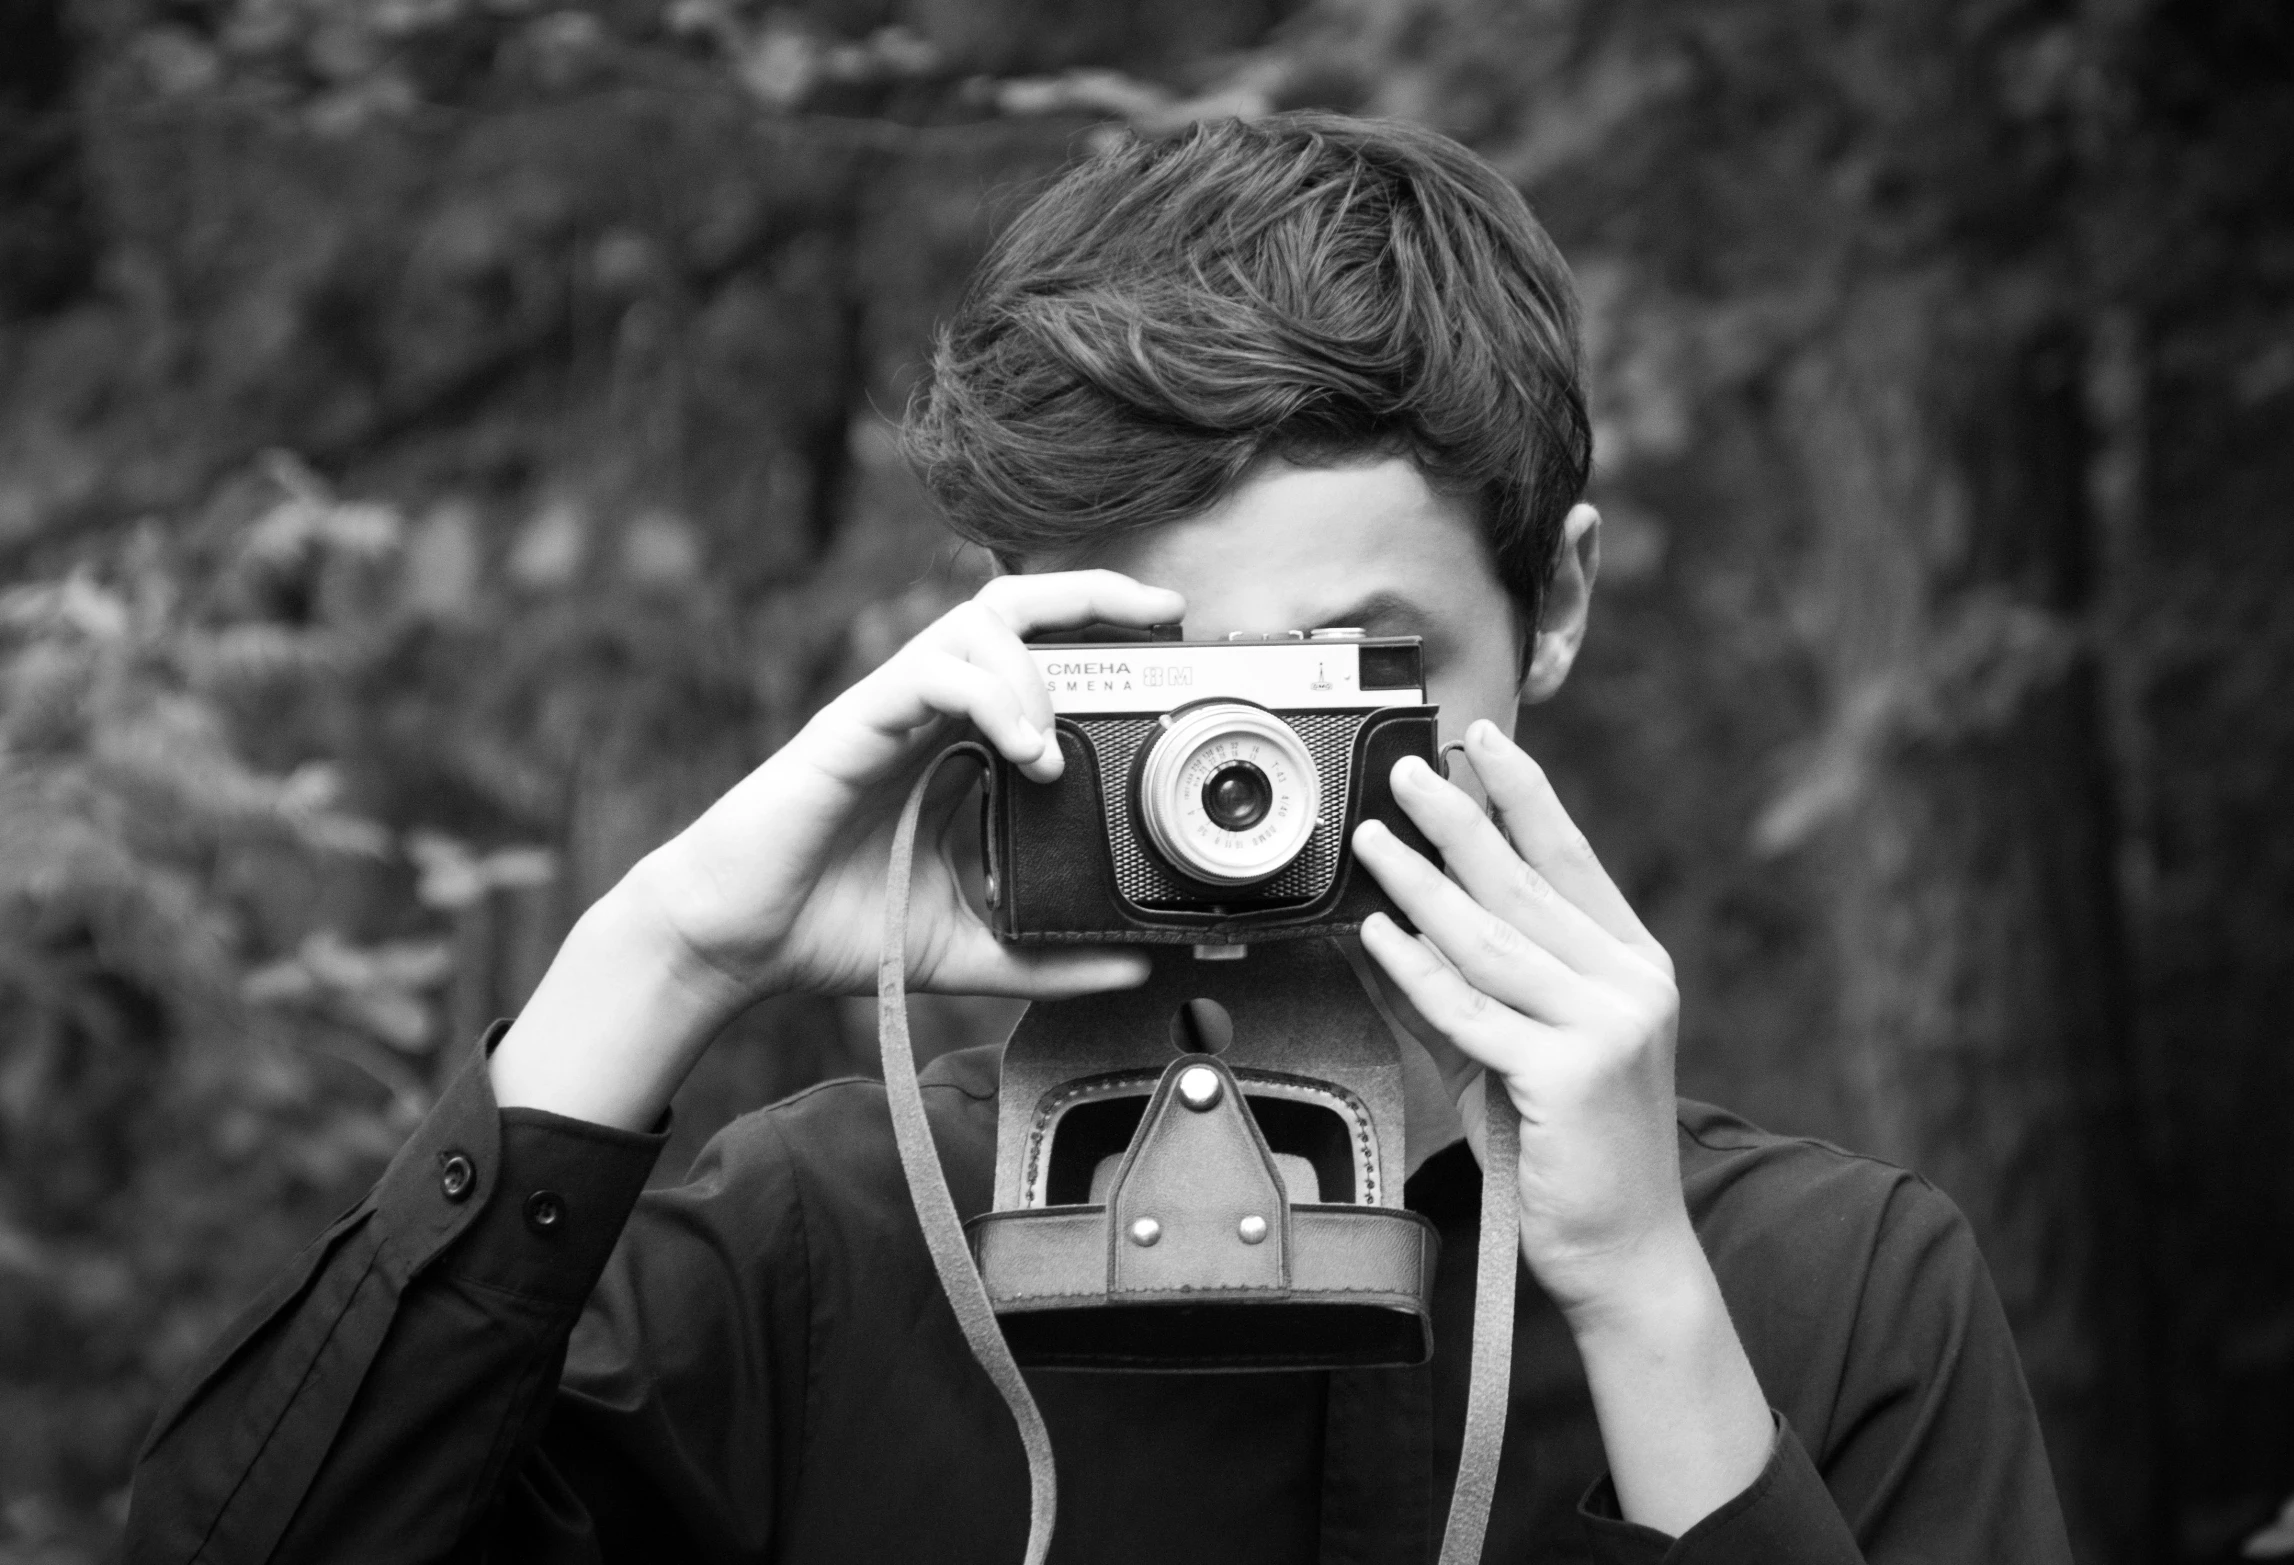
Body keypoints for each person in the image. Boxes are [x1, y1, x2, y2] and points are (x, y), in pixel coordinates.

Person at [125, 113, 2069, 1564]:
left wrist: (1643, 1294)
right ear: (1008, 636)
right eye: (1157, 674)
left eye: (1353, 669)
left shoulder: (1825, 1284)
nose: (1251, 772)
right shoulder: (822, 1243)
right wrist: (662, 953)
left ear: (1552, 605)